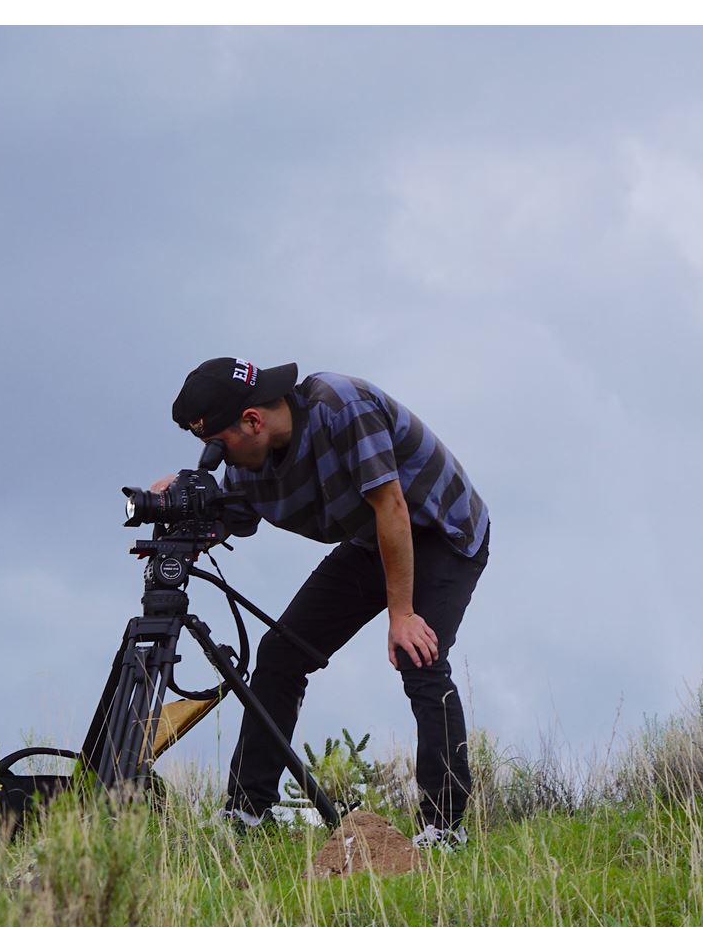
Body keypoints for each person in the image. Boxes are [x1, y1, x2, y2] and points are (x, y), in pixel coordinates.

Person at [157, 358, 491, 850]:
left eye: (217, 442)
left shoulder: (340, 406)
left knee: (418, 654)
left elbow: (392, 507)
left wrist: (403, 615)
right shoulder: (249, 467)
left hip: (440, 530)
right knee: (279, 656)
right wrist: (176, 513)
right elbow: (225, 520)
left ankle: (445, 828)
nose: (215, 456)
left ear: (252, 420)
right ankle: (247, 814)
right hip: (371, 542)